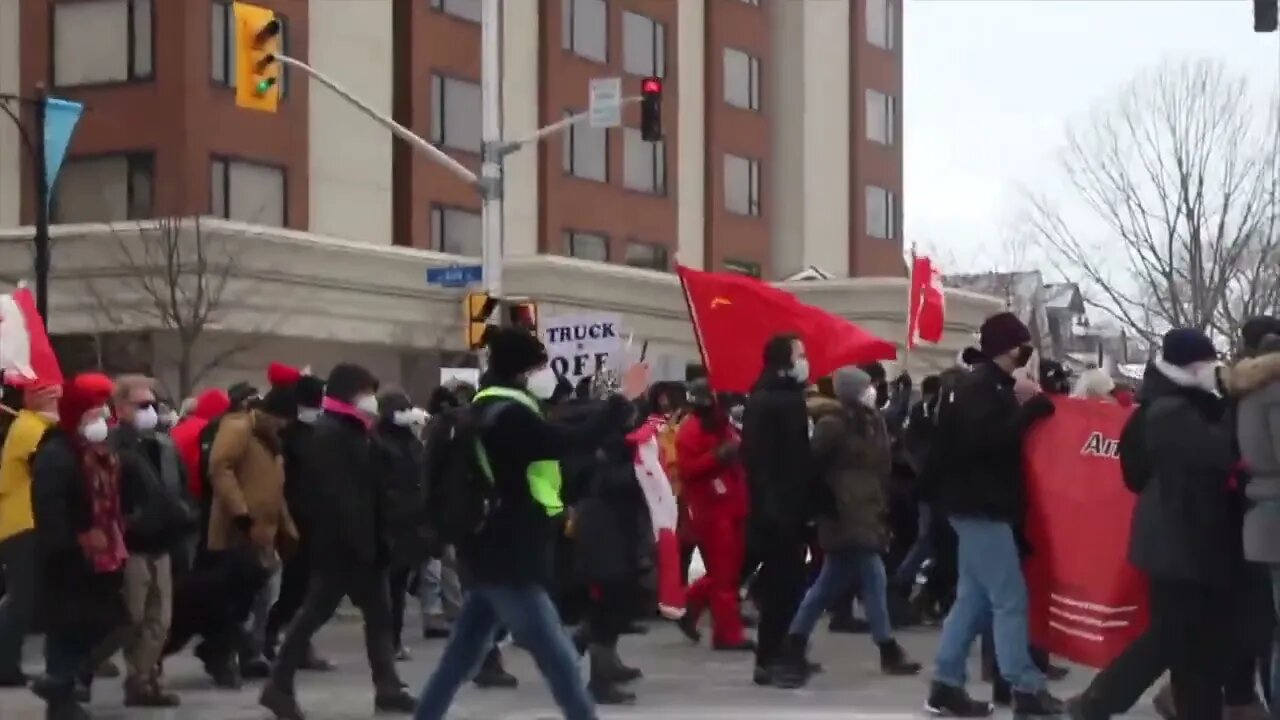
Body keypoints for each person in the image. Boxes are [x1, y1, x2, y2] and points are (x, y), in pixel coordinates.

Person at [414, 327, 638, 720]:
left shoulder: (484, 408)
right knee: (559, 659)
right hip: (511, 554)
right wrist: (619, 404)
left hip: (484, 548)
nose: (545, 374)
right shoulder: (510, 416)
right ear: (522, 370)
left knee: (460, 659)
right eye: (540, 365)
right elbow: (569, 441)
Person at [260, 363, 416, 720]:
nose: (372, 400)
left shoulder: (356, 430)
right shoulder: (331, 434)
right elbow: (338, 497)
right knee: (315, 612)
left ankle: (387, 686)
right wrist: (358, 542)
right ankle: (279, 684)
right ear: (349, 393)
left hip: (365, 544)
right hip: (344, 546)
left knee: (378, 615)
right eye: (366, 391)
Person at [925, 312, 1061, 717]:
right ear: (1010, 347)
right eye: (1024, 343)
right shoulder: (981, 388)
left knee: (974, 599)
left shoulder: (985, 385)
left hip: (975, 505)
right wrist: (1030, 413)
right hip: (981, 505)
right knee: (1009, 599)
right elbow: (984, 442)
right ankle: (1024, 686)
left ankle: (946, 684)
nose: (1028, 351)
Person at [788, 366, 922, 675]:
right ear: (852, 391)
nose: (873, 391)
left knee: (826, 586)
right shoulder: (833, 424)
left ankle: (794, 641)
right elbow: (811, 466)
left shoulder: (871, 422)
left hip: (867, 510)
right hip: (844, 512)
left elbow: (881, 464)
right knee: (874, 579)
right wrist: (822, 504)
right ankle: (888, 649)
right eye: (867, 387)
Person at [27, 374, 128, 720]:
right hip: (68, 558)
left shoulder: (87, 451)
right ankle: (60, 692)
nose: (101, 421)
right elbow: (49, 507)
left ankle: (59, 683)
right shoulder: (56, 453)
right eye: (93, 413)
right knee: (69, 628)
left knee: (105, 622)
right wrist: (76, 539)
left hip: (97, 556)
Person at [100, 374, 196, 707]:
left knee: (160, 620)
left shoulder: (163, 444)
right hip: (133, 544)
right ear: (121, 407)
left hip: (163, 541)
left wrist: (183, 514)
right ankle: (83, 670)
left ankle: (143, 679)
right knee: (132, 618)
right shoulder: (114, 446)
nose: (150, 411)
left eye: (153, 404)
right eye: (142, 405)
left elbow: (180, 487)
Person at [206, 368, 303, 682]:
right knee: (236, 599)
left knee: (265, 596)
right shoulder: (239, 427)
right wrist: (239, 512)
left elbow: (276, 487)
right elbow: (220, 467)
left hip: (266, 531)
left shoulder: (272, 440)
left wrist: (287, 527)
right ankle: (225, 654)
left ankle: (252, 651)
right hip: (241, 530)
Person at [741, 334, 815, 689]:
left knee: (786, 584)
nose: (806, 360)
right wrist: (779, 510)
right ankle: (770, 659)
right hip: (779, 510)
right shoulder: (777, 400)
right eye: (800, 354)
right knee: (782, 586)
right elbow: (768, 461)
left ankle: (779, 653)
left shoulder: (776, 396)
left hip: (784, 507)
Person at [674, 379, 752, 652]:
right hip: (712, 508)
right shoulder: (690, 432)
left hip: (734, 505)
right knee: (724, 575)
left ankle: (688, 604)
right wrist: (718, 456)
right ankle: (728, 635)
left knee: (728, 571)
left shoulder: (724, 427)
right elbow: (688, 470)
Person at [265, 371, 335, 671]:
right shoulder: (288, 436)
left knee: (309, 589)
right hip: (295, 521)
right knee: (294, 588)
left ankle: (299, 642)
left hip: (317, 520)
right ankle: (271, 636)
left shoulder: (318, 433)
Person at [0, 382, 60, 686]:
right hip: (23, 522)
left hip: (31, 521)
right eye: (51, 395)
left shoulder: (33, 425)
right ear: (31, 397)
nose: (57, 400)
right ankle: (4, 664)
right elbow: (45, 463)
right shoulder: (29, 428)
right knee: (20, 599)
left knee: (29, 598)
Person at [372, 391, 430, 660]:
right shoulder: (379, 442)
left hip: (409, 524)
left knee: (398, 588)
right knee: (386, 589)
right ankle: (386, 642)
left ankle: (393, 640)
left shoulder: (411, 442)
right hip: (389, 523)